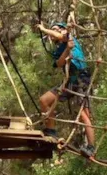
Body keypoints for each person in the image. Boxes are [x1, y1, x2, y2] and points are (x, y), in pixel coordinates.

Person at [38, 19, 95, 158]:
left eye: (57, 29)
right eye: (53, 30)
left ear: (64, 29)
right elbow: (59, 63)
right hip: (69, 81)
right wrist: (67, 51)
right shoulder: (59, 50)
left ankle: (91, 147)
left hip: (81, 79)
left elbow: (62, 36)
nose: (55, 31)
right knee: (44, 100)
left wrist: (44, 29)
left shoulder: (69, 38)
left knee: (84, 115)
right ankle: (51, 131)